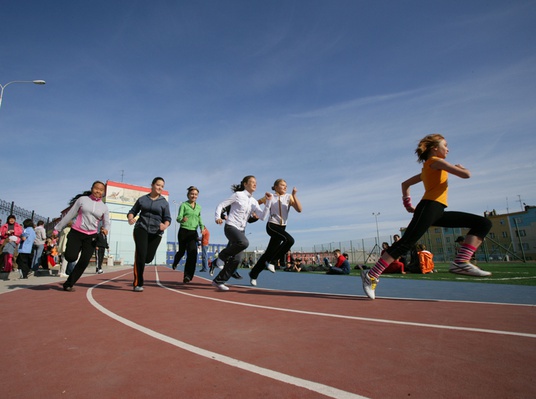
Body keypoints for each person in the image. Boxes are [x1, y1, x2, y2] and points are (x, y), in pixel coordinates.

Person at [360, 133, 492, 299]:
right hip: (429, 207)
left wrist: (408, 203)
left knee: (483, 223)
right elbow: (466, 175)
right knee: (406, 243)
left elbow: (405, 184)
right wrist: (462, 167)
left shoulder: (428, 168)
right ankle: (371, 275)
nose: (448, 149)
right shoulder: (436, 162)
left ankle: (461, 261)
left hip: (437, 210)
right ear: (435, 148)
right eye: (445, 146)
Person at [212, 175, 272, 291]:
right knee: (244, 242)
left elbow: (263, 217)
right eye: (252, 182)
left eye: (256, 182)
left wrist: (268, 202)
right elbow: (221, 205)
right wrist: (217, 217)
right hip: (231, 227)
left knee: (237, 260)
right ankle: (221, 256)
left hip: (241, 230)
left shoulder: (254, 201)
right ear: (245, 184)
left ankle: (218, 281)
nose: (255, 184)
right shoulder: (238, 195)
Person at [55, 180, 111, 292]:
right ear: (92, 189)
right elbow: (70, 214)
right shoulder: (82, 200)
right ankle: (70, 258)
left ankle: (69, 283)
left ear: (103, 192)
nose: (98, 191)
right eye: (96, 188)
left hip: (91, 237)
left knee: (84, 261)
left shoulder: (104, 207)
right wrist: (57, 228)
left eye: (101, 190)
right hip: (76, 232)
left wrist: (106, 229)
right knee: (71, 257)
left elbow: (107, 222)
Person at [248, 179, 302, 287]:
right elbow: (256, 203)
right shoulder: (270, 196)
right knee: (290, 240)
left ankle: (253, 274)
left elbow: (299, 209)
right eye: (282, 185)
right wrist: (253, 213)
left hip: (282, 228)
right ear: (276, 187)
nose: (285, 187)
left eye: (286, 185)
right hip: (272, 225)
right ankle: (272, 262)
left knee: (268, 253)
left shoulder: (289, 197)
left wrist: (294, 195)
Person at [127, 177, 171, 292]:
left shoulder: (164, 203)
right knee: (141, 255)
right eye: (158, 185)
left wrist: (165, 225)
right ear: (152, 185)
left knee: (148, 258)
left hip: (156, 232)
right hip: (141, 228)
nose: (160, 188)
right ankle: (138, 283)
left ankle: (143, 262)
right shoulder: (142, 199)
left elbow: (167, 218)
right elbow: (132, 211)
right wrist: (131, 218)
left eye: (162, 186)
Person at [171, 186, 204, 283]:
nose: (194, 196)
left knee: (193, 253)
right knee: (181, 251)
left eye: (195, 194)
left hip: (193, 232)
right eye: (192, 194)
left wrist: (202, 227)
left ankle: (188, 276)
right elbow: (178, 218)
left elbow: (199, 218)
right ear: (188, 195)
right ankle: (176, 261)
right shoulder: (184, 205)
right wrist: (182, 219)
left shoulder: (199, 207)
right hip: (183, 231)